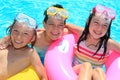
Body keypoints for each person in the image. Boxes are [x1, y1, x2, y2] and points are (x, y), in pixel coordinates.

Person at [0, 4, 104, 80]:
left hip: (60, 72)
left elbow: (89, 34)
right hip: (39, 70)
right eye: (51, 24)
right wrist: (6, 38)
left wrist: (68, 26)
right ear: (44, 24)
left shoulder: (65, 35)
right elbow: (20, 36)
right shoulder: (36, 37)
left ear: (64, 26)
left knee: (94, 71)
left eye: (60, 25)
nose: (55, 30)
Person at [66, 4, 120, 80]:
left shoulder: (108, 44)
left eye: (105, 25)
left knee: (99, 71)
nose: (99, 29)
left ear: (108, 28)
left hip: (94, 76)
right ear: (88, 21)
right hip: (75, 72)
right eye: (96, 22)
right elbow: (66, 25)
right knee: (87, 66)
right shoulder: (81, 34)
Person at [0, 13, 48, 80]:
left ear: (33, 38)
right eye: (16, 31)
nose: (18, 37)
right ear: (11, 30)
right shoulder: (5, 44)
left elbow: (43, 76)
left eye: (25, 34)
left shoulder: (30, 53)